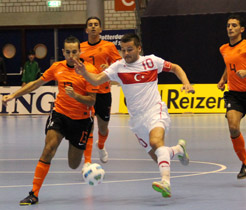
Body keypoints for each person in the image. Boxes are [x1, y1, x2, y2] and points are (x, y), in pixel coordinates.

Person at [74, 33, 194, 198]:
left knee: (156, 142)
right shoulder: (118, 67)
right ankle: (178, 149)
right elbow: (96, 80)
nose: (126, 53)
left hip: (155, 110)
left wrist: (186, 83)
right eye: (123, 50)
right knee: (157, 155)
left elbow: (175, 67)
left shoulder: (151, 61)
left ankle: (166, 182)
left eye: (130, 49)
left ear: (139, 48)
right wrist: (84, 73)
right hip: (137, 121)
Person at [2, 36, 99, 205]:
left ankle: (80, 153)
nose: (71, 55)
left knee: (73, 164)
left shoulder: (89, 70)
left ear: (80, 52)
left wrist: (75, 96)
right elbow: (35, 84)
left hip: (81, 120)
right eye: (67, 52)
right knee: (48, 149)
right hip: (60, 114)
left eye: (74, 52)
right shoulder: (57, 67)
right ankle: (34, 193)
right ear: (63, 52)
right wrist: (13, 95)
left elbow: (92, 101)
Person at [217, 14, 246, 179]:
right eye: (228, 25)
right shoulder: (224, 48)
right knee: (233, 127)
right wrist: (223, 79)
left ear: (242, 29)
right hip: (234, 95)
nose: (230, 28)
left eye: (234, 25)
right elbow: (230, 66)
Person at [80, 16, 122, 168]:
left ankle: (101, 145)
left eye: (96, 25)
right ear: (86, 29)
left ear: (100, 29)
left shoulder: (109, 46)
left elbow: (120, 64)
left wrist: (109, 67)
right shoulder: (81, 48)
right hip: (87, 92)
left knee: (103, 127)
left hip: (103, 91)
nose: (93, 27)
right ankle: (87, 161)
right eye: (90, 24)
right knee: (88, 126)